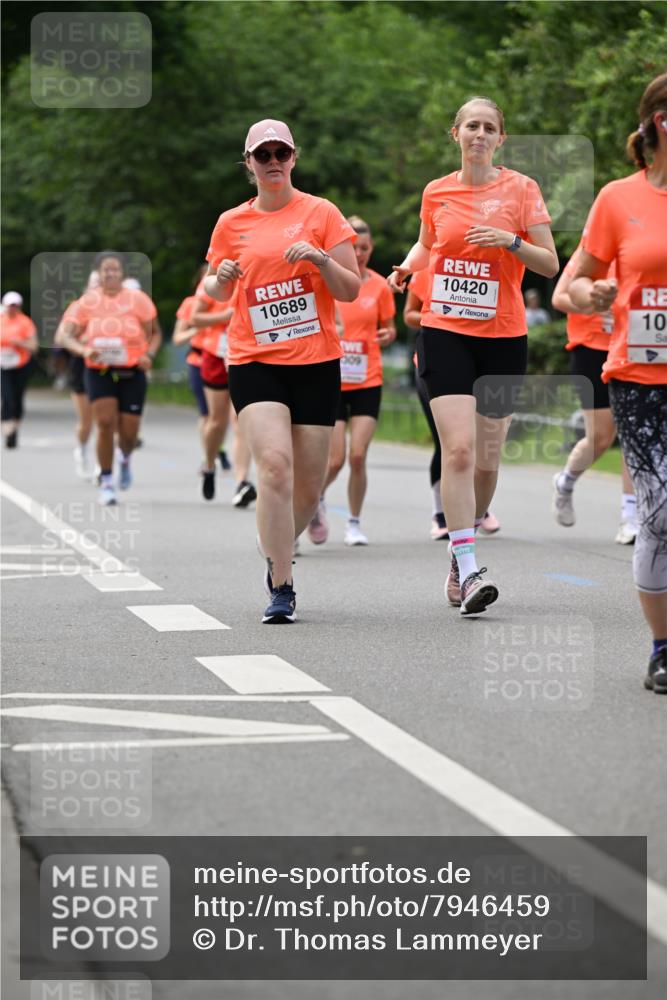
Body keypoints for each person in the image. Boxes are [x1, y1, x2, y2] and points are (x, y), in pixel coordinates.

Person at [389, 96, 558, 615]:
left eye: (489, 128)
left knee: (487, 459)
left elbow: (549, 264)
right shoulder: (437, 191)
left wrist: (510, 241)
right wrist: (404, 269)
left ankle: (463, 544)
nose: (479, 135)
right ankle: (467, 563)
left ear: (500, 139)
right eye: (471, 127)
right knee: (457, 452)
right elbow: (426, 246)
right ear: (456, 134)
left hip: (503, 336)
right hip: (444, 332)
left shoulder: (522, 189)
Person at [204, 119, 360, 622]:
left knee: (308, 488)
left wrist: (319, 259)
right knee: (274, 465)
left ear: (294, 158)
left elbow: (350, 290)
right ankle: (281, 583)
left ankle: (273, 539)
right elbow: (214, 289)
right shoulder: (232, 222)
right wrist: (221, 278)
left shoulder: (322, 213)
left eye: (281, 153)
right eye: (262, 154)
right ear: (248, 164)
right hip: (254, 359)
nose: (273, 161)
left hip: (315, 361)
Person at [569, 72, 667, 694]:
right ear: (660, 121)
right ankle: (662, 647)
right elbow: (573, 284)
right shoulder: (617, 198)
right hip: (639, 375)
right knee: (659, 512)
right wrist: (595, 292)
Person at [307, 215, 396, 546]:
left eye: (365, 248)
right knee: (335, 458)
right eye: (354, 248)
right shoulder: (329, 280)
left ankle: (354, 523)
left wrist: (387, 335)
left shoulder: (380, 287)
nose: (360, 254)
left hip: (368, 378)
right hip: (334, 377)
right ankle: (312, 500)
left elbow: (389, 327)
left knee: (358, 456)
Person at [404, 267, 502, 541]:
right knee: (449, 443)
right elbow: (409, 314)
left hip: (478, 357)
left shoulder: (485, 264)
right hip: (438, 359)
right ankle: (440, 514)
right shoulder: (425, 270)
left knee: (475, 441)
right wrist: (441, 312)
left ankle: (478, 507)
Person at [58, 251, 162, 506]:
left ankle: (124, 459)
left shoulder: (138, 300)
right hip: (99, 370)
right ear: (98, 274)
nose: (111, 273)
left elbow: (157, 333)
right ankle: (106, 480)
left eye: (115, 269)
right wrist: (84, 350)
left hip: (132, 371)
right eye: (106, 269)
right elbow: (64, 337)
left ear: (123, 274)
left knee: (129, 433)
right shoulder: (86, 302)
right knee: (104, 423)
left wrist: (149, 354)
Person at [551, 245, 637, 544]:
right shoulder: (591, 253)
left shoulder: (644, 249)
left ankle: (631, 516)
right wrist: (594, 303)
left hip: (633, 348)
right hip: (591, 348)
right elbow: (559, 298)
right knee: (600, 437)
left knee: (632, 431)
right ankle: (566, 481)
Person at [1, 291, 38, 448]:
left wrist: (20, 342)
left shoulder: (25, 322)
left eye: (15, 306)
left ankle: (14, 428)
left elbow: (34, 346)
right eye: (10, 306)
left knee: (17, 398)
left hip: (20, 364)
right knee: (7, 397)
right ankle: (8, 429)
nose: (12, 309)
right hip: (3, 365)